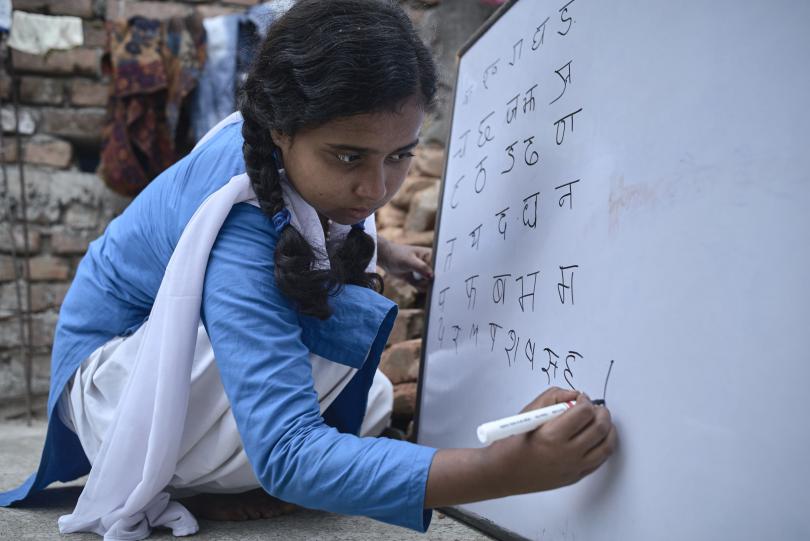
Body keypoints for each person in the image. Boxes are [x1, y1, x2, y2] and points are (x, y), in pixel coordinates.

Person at [0, 0, 616, 538]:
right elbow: (290, 451)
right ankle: (188, 475)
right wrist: (499, 472)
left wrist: (383, 251)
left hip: (168, 365)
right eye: (349, 156)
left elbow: (320, 221)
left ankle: (213, 472)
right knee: (324, 332)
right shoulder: (238, 216)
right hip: (109, 384)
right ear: (279, 129)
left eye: (400, 155)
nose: (376, 189)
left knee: (368, 395)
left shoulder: (299, 169)